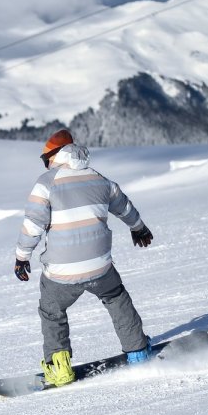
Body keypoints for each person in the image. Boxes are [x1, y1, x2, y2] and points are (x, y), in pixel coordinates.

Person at [13, 128, 155, 386]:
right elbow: (125, 207)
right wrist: (139, 228)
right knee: (116, 298)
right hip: (100, 268)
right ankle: (138, 352)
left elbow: (33, 224)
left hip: (60, 272)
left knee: (52, 311)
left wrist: (22, 257)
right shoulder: (100, 179)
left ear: (54, 156)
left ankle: (59, 369)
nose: (46, 164)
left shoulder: (46, 183)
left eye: (46, 159)